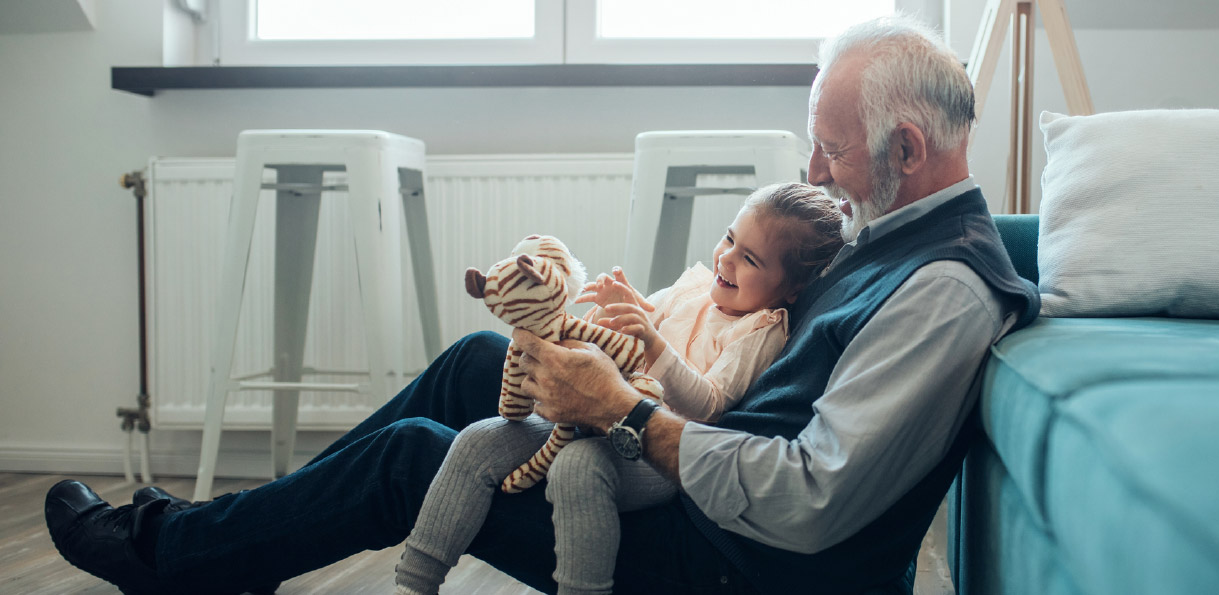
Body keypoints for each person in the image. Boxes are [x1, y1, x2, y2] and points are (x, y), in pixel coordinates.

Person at [44, 14, 1040, 594]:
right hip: (704, 493)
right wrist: (614, 343)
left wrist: (624, 409)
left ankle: (181, 556)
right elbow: (756, 350)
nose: (812, 168)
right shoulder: (891, 232)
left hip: (731, 559)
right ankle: (236, 542)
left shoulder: (942, 292)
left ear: (906, 151)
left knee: (415, 457)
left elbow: (808, 499)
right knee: (478, 367)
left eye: (827, 148)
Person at [395, 182, 844, 595]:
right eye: (729, 239)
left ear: (793, 287)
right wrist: (623, 307)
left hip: (657, 452)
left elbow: (709, 406)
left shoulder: (760, 330)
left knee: (579, 468)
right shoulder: (695, 287)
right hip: (594, 417)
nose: (726, 259)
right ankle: (415, 582)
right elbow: (636, 330)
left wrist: (651, 339)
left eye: (750, 259)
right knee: (477, 441)